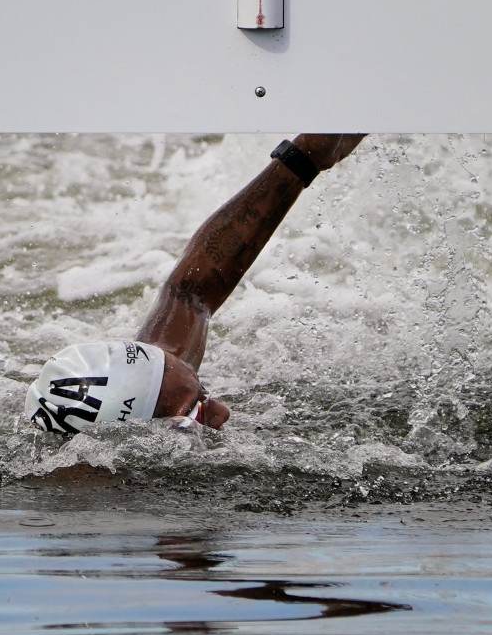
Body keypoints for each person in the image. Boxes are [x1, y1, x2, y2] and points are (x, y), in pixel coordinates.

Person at [24, 134, 367, 436]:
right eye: (192, 411)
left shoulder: (151, 403)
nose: (222, 412)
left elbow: (190, 294)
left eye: (201, 395)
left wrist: (304, 157)